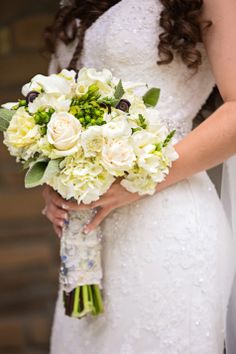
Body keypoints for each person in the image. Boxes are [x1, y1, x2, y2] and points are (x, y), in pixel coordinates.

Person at [42, 0, 236, 353]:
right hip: (89, 236)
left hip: (168, 223)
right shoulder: (78, 4)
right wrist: (53, 174)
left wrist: (138, 181)